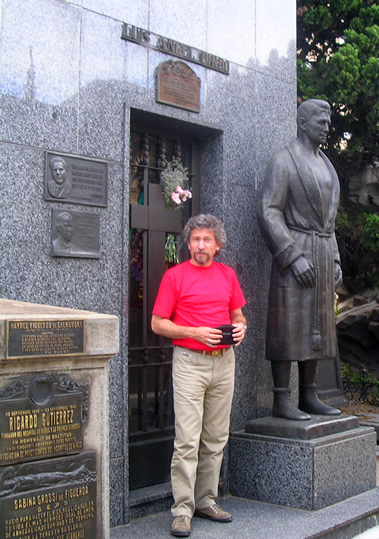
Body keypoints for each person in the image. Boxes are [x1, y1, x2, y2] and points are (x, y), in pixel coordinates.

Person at [151, 214, 247, 537]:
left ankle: (206, 499)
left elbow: (238, 314)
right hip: (190, 362)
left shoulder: (228, 275)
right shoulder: (175, 277)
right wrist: (194, 332)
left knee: (217, 437)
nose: (201, 245)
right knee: (188, 439)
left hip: (224, 362)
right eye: (195, 239)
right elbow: (157, 323)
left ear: (217, 245)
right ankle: (182, 509)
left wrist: (241, 327)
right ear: (188, 243)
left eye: (207, 240)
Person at [257, 99, 342, 421]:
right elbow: (269, 210)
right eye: (321, 121)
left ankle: (309, 394)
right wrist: (292, 257)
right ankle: (281, 398)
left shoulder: (327, 165)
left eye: (329, 121)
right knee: (289, 326)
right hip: (295, 252)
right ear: (303, 123)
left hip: (320, 250)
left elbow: (330, 222)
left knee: (318, 324)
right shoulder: (283, 160)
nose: (327, 127)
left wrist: (333, 260)